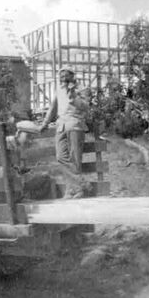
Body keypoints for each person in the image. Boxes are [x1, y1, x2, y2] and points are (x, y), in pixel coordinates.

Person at [40, 65, 90, 199]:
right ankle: (80, 184)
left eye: (65, 75)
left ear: (72, 76)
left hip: (75, 125)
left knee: (75, 159)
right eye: (61, 76)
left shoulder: (82, 88)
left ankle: (73, 190)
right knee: (61, 157)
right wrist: (45, 123)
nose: (62, 78)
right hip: (61, 126)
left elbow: (85, 107)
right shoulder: (59, 89)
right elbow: (52, 108)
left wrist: (73, 96)